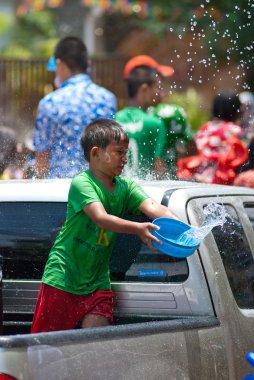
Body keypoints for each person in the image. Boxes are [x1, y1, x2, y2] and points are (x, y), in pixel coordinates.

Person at [31, 118, 180, 333]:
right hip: (63, 278)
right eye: (119, 152)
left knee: (97, 348)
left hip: (98, 282)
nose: (125, 159)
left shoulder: (125, 187)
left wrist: (186, 229)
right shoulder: (82, 183)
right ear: (95, 153)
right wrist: (138, 228)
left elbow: (154, 207)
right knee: (43, 350)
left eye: (126, 153)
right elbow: (100, 217)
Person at [33, 36, 116, 179]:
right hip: (98, 189)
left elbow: (42, 160)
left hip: (60, 191)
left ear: (59, 64)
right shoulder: (108, 99)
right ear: (87, 64)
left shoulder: (51, 103)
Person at [115, 55, 171, 179]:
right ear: (144, 89)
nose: (160, 93)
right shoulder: (155, 123)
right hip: (144, 190)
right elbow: (159, 169)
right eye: (158, 88)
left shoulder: (114, 120)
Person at [177, 89, 248, 185]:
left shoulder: (205, 128)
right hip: (219, 183)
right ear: (236, 109)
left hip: (196, 178)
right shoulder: (235, 131)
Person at [148, 102, 197, 179]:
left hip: (157, 178)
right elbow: (193, 147)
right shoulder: (179, 113)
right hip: (177, 175)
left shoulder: (152, 115)